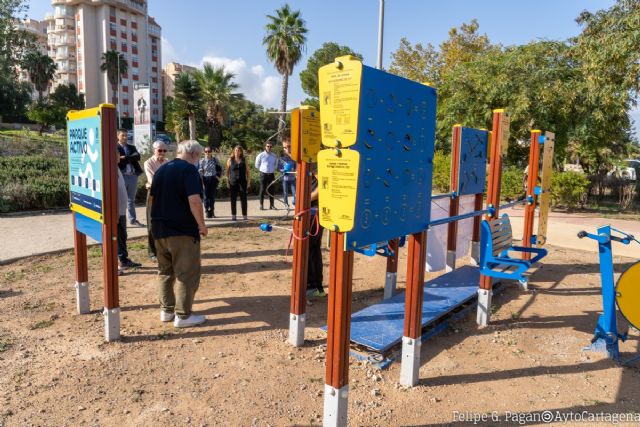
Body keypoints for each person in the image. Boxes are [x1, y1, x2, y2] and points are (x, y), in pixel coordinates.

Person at [150, 140, 208, 328]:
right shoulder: (189, 170)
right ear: (194, 154)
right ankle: (183, 316)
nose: (198, 160)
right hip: (182, 231)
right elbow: (195, 201)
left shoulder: (161, 170)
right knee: (187, 273)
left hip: (159, 229)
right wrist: (202, 225)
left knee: (165, 272)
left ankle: (166, 310)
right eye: (198, 156)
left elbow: (151, 200)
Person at [143, 140, 168, 261]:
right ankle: (152, 252)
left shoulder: (167, 162)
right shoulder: (148, 162)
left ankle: (163, 250)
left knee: (165, 223)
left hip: (166, 195)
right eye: (160, 150)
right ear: (154, 150)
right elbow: (152, 180)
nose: (162, 153)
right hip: (153, 195)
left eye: (164, 150)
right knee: (152, 223)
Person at [116, 128, 144, 226]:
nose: (125, 137)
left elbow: (137, 157)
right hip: (121, 177)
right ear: (117, 136)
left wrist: (126, 158)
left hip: (132, 176)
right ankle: (119, 221)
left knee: (131, 200)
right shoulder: (114, 147)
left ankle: (133, 220)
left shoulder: (132, 147)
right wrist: (129, 158)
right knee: (120, 200)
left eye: (126, 135)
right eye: (122, 135)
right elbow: (118, 160)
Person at [117, 167, 141, 275]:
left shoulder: (115, 167)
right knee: (117, 237)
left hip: (121, 211)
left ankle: (123, 260)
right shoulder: (108, 167)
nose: (119, 155)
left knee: (122, 236)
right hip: (116, 212)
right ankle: (118, 262)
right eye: (117, 152)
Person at [307, 166, 326, 297]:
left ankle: (312, 287)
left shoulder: (313, 160)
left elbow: (324, 186)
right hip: (311, 210)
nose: (288, 151)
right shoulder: (303, 160)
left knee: (309, 248)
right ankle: (315, 286)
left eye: (290, 147)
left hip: (315, 211)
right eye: (285, 148)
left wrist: (305, 198)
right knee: (312, 248)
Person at [226, 145, 251, 221]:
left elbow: (248, 172)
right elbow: (227, 173)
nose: (237, 152)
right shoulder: (230, 160)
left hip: (243, 182)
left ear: (241, 152)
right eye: (236, 150)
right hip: (233, 182)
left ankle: (245, 216)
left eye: (239, 150)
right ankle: (234, 215)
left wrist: (249, 182)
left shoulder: (244, 160)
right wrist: (227, 182)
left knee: (244, 199)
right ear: (234, 151)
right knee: (233, 199)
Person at [198, 147, 222, 218]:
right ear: (204, 152)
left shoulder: (215, 160)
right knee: (206, 196)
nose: (207, 153)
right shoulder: (202, 161)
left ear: (211, 152)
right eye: (206, 151)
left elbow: (220, 169)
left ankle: (212, 211)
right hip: (205, 179)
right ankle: (206, 210)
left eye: (209, 151)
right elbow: (200, 172)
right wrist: (202, 182)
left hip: (213, 179)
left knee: (212, 196)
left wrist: (218, 177)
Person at [254, 141, 278, 210]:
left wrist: (273, 169)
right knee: (262, 190)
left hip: (271, 175)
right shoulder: (261, 155)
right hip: (263, 174)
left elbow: (276, 164)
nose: (269, 148)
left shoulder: (274, 155)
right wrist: (262, 170)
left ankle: (272, 205)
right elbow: (257, 164)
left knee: (272, 190)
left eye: (270, 146)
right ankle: (261, 205)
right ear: (265, 147)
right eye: (268, 146)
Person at [279, 135, 296, 208]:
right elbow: (279, 168)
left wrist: (294, 170)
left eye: (289, 146)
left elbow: (296, 168)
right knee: (285, 193)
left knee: (295, 193)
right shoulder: (282, 158)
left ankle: (295, 202)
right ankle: (286, 204)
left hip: (293, 179)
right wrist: (283, 170)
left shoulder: (295, 158)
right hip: (285, 179)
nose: (287, 149)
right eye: (285, 147)